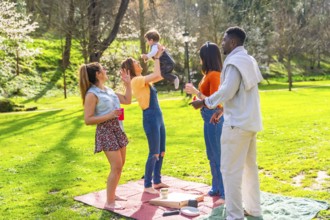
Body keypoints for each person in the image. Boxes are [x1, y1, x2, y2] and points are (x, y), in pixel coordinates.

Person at [190, 27, 263, 220]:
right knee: (249, 168)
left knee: (230, 172)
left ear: (232, 42)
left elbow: (227, 91)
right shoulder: (249, 60)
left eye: (224, 40)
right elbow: (241, 94)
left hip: (236, 125)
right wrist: (222, 110)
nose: (221, 43)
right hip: (250, 123)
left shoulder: (233, 62)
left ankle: (234, 216)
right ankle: (254, 210)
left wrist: (204, 102)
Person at [78, 62, 132, 210]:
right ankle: (109, 202)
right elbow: (88, 120)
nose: (106, 70)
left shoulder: (108, 90)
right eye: (103, 69)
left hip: (118, 129)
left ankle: (113, 194)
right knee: (116, 166)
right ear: (97, 74)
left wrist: (128, 84)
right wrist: (109, 115)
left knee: (120, 166)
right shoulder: (92, 94)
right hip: (106, 131)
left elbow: (127, 100)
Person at [122, 45, 169, 194]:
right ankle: (148, 185)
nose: (138, 63)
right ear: (131, 69)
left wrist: (161, 55)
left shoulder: (145, 81)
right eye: (135, 63)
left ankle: (157, 181)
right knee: (154, 152)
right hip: (150, 117)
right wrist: (155, 57)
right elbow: (156, 74)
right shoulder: (136, 80)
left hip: (158, 116)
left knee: (161, 151)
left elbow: (160, 74)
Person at [184, 41, 225, 205]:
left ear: (206, 57)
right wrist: (198, 101)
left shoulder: (215, 75)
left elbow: (215, 101)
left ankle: (224, 191)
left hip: (214, 118)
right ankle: (216, 187)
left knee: (218, 155)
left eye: (201, 56)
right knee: (211, 155)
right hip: (207, 118)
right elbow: (207, 98)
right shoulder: (209, 74)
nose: (200, 60)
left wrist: (196, 93)